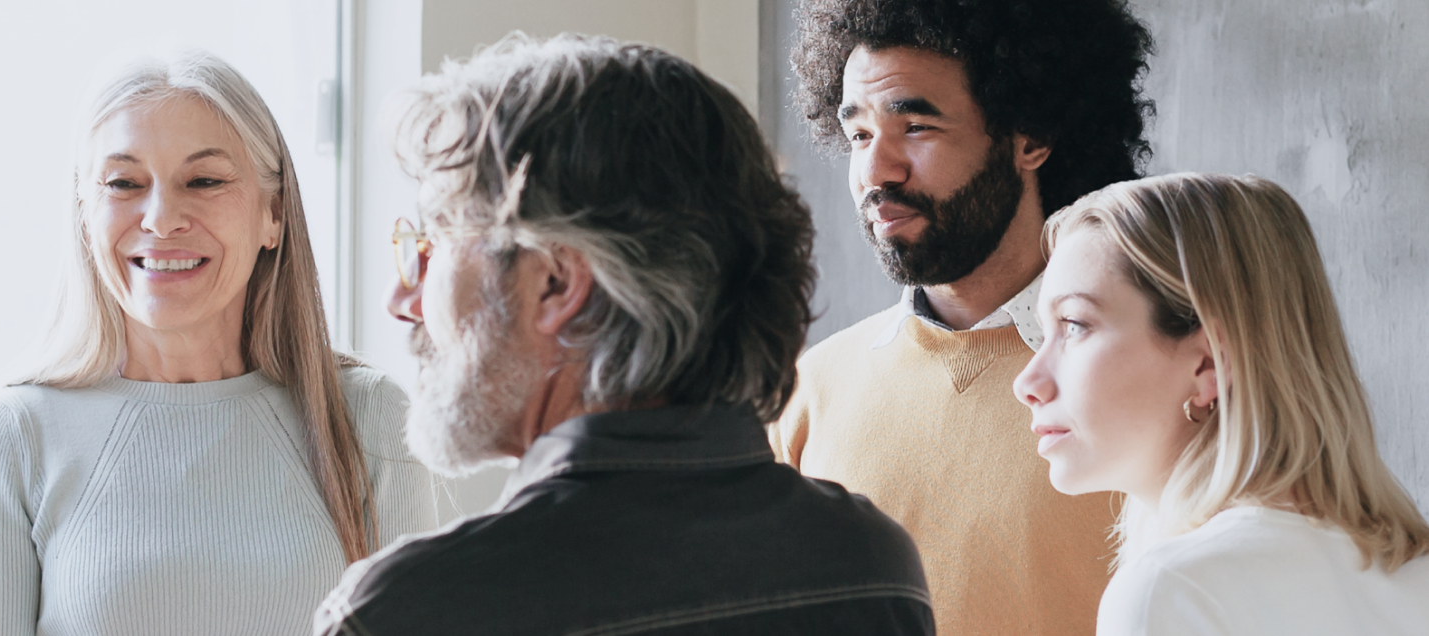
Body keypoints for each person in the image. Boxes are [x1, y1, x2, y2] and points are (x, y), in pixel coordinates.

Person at [311, 34, 934, 635]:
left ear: (555, 283)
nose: (402, 299)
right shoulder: (872, 566)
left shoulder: (407, 614)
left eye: (434, 244)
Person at [0, 52, 437, 636]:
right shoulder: (13, 436)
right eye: (123, 183)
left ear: (273, 214)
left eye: (205, 180)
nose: (162, 219)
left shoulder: (370, 418)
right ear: (86, 215)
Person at [771, 0, 1155, 632]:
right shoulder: (813, 391)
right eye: (859, 134)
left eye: (915, 127)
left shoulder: (1155, 380)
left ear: (1029, 136)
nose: (875, 171)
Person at [1013, 172, 1429, 634]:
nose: (1027, 381)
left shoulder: (1171, 591)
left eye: (1074, 325)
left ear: (1208, 363)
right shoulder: (1416, 574)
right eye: (1041, 332)